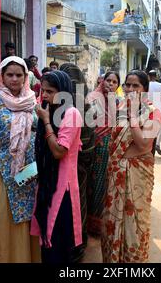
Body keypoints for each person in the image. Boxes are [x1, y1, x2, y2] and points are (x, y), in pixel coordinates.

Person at [0, 56, 41, 263]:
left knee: (27, 217)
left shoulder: (30, 98)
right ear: (1, 76)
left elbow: (40, 125)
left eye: (19, 75)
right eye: (9, 74)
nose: (14, 79)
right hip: (2, 168)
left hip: (29, 170)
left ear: (25, 77)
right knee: (1, 216)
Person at [101, 70, 161, 263]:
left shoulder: (153, 112)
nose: (130, 89)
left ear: (145, 89)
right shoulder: (119, 108)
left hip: (137, 176)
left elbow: (144, 145)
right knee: (111, 223)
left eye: (136, 86)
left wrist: (134, 117)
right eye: (127, 85)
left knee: (135, 225)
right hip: (116, 174)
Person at [31, 70, 83, 263]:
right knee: (47, 244)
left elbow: (59, 151)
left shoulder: (71, 113)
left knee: (58, 246)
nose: (44, 95)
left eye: (50, 91)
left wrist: (45, 121)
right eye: (42, 90)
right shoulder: (51, 111)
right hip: (48, 185)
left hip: (63, 189)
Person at [59, 63, 96, 262]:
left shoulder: (82, 110)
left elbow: (89, 144)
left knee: (74, 206)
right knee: (70, 207)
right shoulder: (59, 106)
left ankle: (75, 248)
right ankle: (73, 247)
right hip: (71, 170)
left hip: (74, 169)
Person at [86, 71, 121, 237]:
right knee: (94, 184)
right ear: (103, 81)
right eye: (108, 80)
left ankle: (103, 221)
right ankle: (92, 224)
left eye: (115, 82)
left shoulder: (117, 102)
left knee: (108, 185)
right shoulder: (93, 97)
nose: (111, 84)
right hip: (94, 148)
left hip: (111, 149)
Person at [148, 70, 161, 155]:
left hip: (148, 108)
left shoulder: (146, 85)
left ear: (149, 76)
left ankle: (148, 145)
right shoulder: (160, 85)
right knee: (159, 128)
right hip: (157, 109)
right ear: (156, 76)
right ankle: (157, 144)